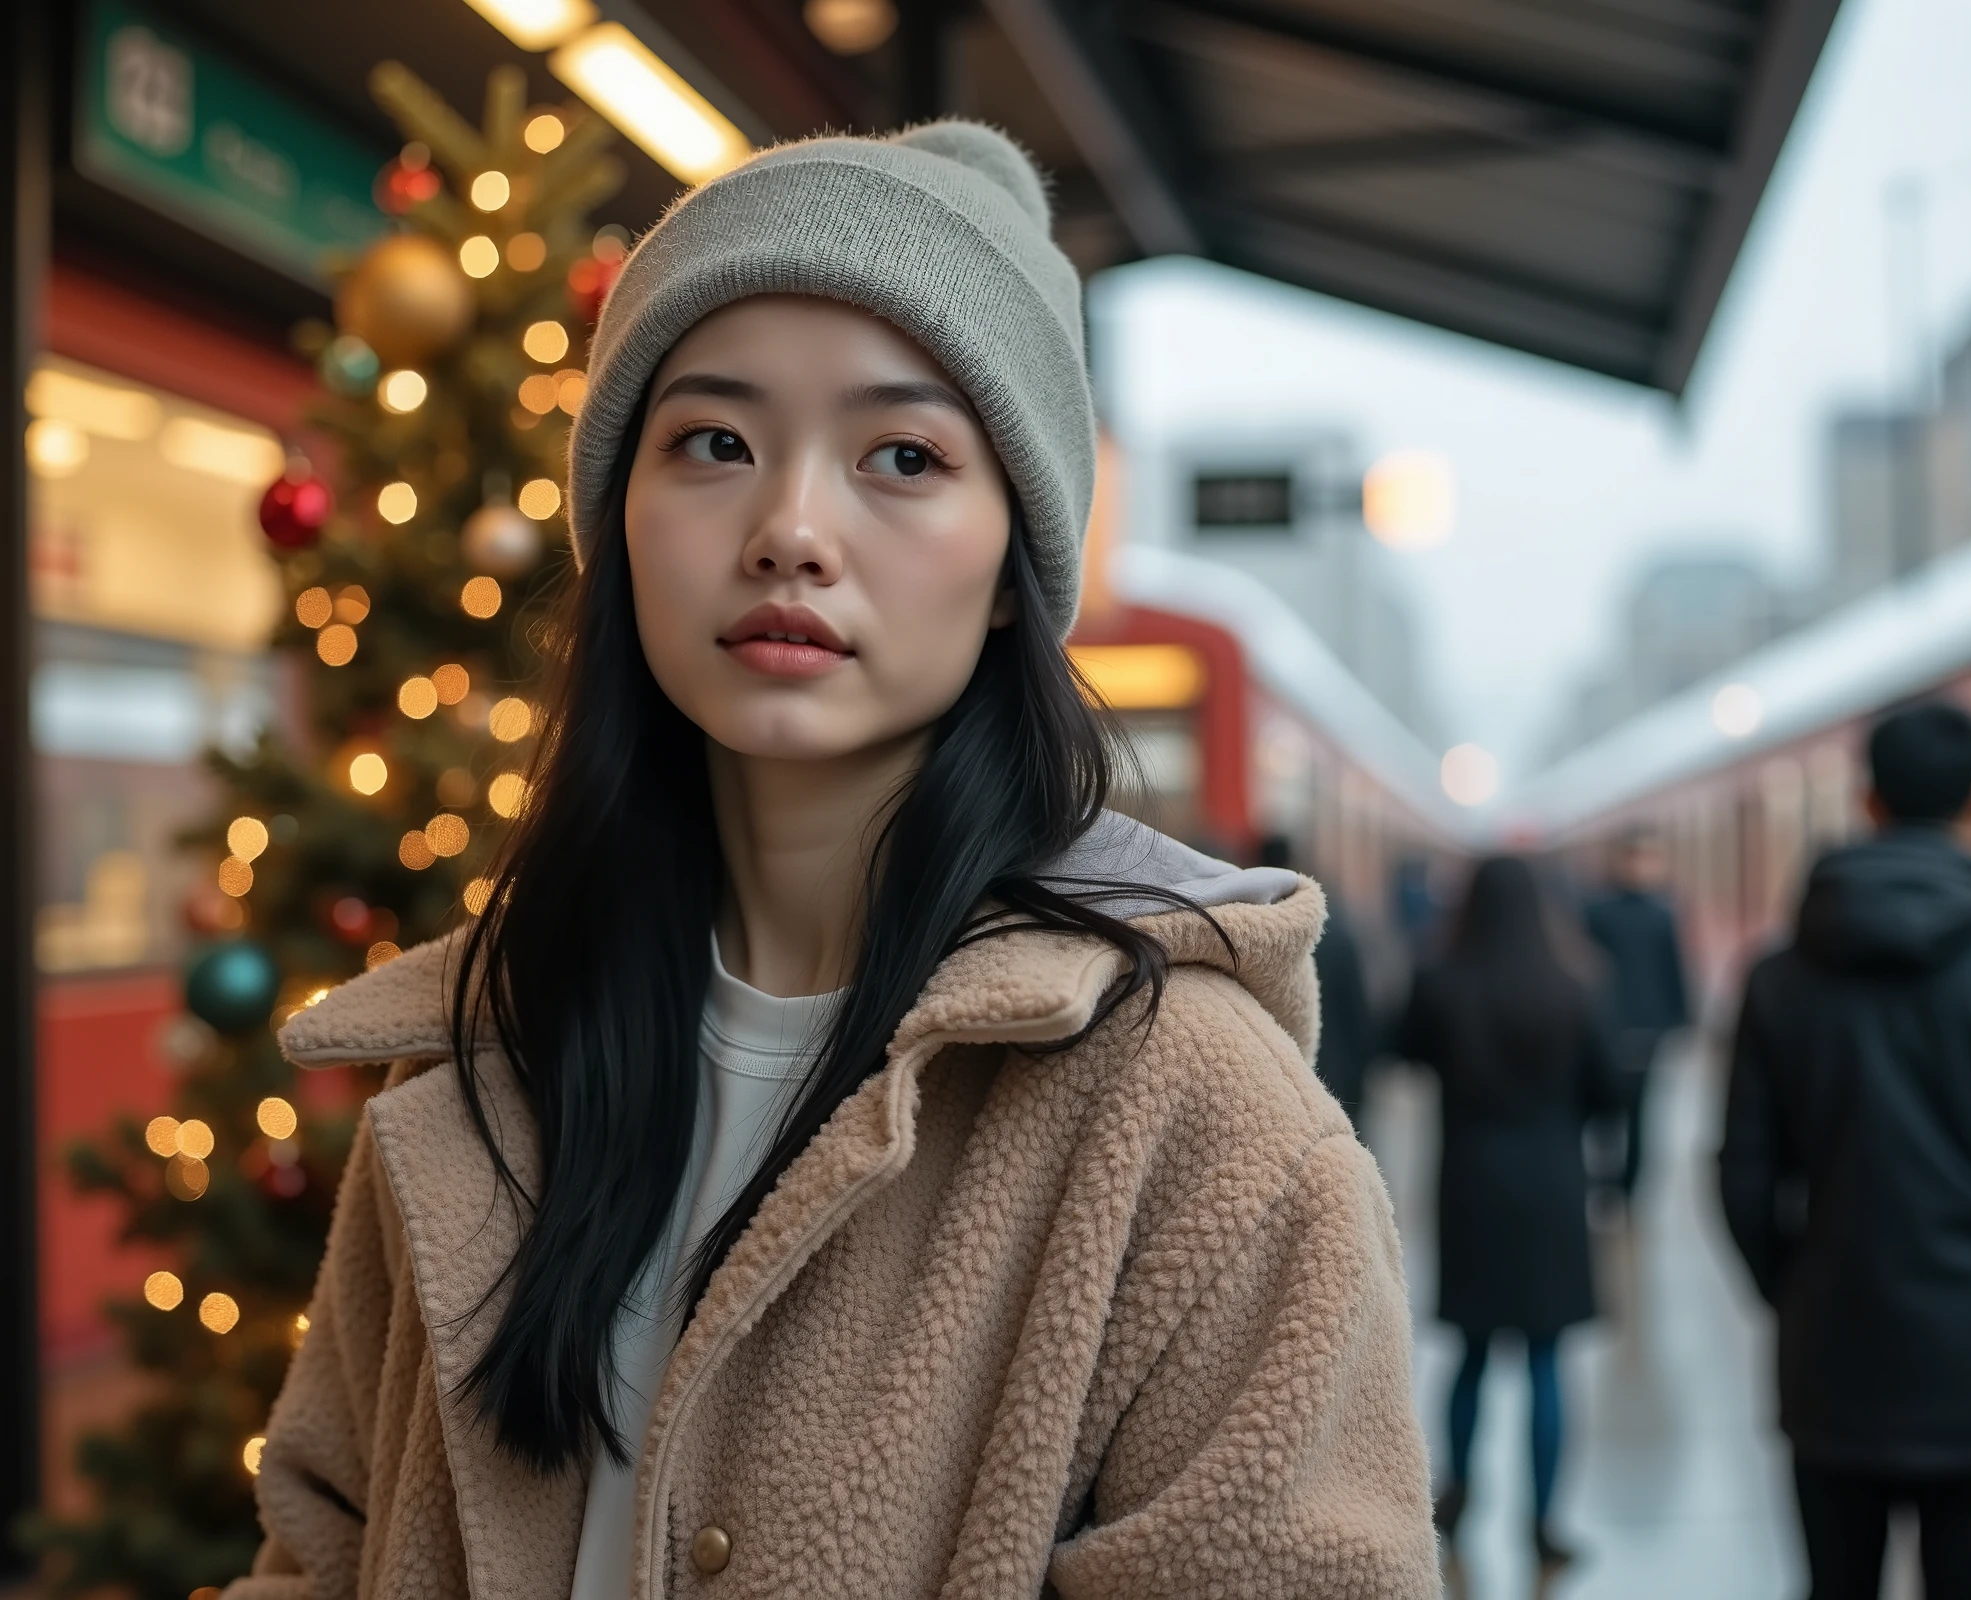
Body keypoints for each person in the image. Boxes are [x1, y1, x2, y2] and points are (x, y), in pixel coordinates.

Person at [226, 123, 1437, 1600]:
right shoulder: (481, 1065)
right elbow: (318, 1552)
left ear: (1014, 569)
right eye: (715, 443)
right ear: (621, 520)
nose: (791, 528)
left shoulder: (1205, 1135)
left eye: (905, 457)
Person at [1720, 701, 1971, 1600]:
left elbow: (1743, 1176)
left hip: (1834, 1362)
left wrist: (1798, 1288)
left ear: (1865, 802)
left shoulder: (1780, 978)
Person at [1398, 856, 1624, 1572]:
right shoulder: (1578, 984)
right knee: (1547, 1360)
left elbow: (1400, 1051)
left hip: (1471, 1186)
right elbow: (1611, 1092)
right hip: (1553, 1188)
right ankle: (1545, 1523)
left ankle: (1457, 1498)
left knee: (1468, 1352)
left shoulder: (1440, 982)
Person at [1582, 826, 1690, 1202]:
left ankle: (1628, 1186)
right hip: (1608, 1027)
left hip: (1648, 1029)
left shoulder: (1663, 914)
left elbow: (1674, 969)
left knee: (1640, 1114)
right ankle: (1606, 1180)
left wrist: (1681, 1018)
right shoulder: (1597, 911)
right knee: (1606, 1109)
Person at [1258, 834, 1376, 1128]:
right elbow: (1359, 1017)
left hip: (1275, 1085)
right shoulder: (1337, 933)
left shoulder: (1249, 934)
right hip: (1335, 1078)